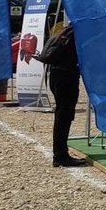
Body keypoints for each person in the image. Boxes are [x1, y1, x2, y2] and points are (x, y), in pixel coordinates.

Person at [38, 24, 87, 168]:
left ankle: (60, 154)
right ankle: (60, 156)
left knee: (62, 115)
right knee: (64, 116)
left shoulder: (66, 31)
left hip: (57, 75)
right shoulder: (79, 32)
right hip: (66, 77)